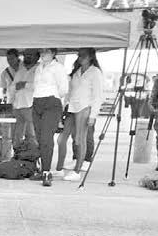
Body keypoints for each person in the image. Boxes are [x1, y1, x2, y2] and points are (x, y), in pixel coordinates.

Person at [58, 48, 104, 182]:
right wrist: (64, 106)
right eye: (79, 55)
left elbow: (98, 96)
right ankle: (59, 169)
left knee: (79, 139)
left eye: (84, 55)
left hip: (84, 108)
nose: (80, 58)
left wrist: (93, 115)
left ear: (91, 57)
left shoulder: (95, 72)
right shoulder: (76, 72)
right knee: (61, 139)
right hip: (71, 107)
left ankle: (77, 171)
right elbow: (69, 92)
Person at [30, 48, 69, 186]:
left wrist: (52, 96)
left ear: (53, 53)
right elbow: (35, 85)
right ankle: (42, 169)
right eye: (42, 51)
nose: (43, 54)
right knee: (39, 137)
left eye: (47, 51)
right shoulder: (39, 67)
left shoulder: (58, 67)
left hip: (51, 101)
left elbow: (63, 89)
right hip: (37, 101)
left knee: (46, 138)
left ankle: (47, 171)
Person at [7, 49, 39, 149]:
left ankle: (33, 155)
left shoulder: (40, 69)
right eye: (25, 55)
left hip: (31, 106)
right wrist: (16, 87)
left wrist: (25, 85)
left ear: (37, 57)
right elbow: (11, 88)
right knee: (16, 135)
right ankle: (17, 154)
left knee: (31, 134)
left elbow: (42, 87)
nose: (27, 56)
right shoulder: (21, 70)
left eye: (30, 54)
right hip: (17, 106)